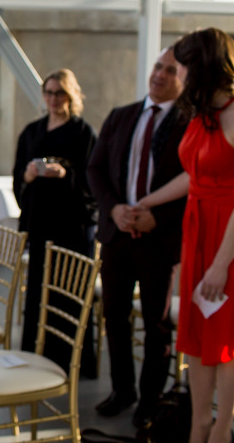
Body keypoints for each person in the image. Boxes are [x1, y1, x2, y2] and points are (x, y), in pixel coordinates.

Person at [135, 27, 234, 443]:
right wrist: (148, 201)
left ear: (204, 65)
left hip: (226, 239)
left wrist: (219, 264)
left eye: (187, 65)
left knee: (225, 335)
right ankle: (199, 426)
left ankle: (222, 427)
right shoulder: (201, 111)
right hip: (197, 229)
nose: (182, 72)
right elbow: (194, 177)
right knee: (194, 334)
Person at [86, 47, 187, 428]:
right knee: (115, 315)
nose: (160, 75)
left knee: (156, 323)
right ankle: (123, 390)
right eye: (158, 67)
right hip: (116, 236)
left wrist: (155, 218)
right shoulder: (121, 116)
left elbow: (195, 186)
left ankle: (151, 399)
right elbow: (95, 169)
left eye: (171, 70)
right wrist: (113, 208)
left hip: (157, 241)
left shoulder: (189, 124)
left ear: (183, 79)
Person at [12, 68, 97, 375]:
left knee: (69, 292)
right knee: (39, 290)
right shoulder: (32, 131)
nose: (52, 98)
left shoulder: (82, 132)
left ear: (70, 96)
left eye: (59, 93)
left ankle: (73, 362)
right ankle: (39, 356)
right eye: (48, 92)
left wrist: (66, 175)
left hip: (71, 227)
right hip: (41, 223)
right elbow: (18, 174)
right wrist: (28, 175)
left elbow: (93, 179)